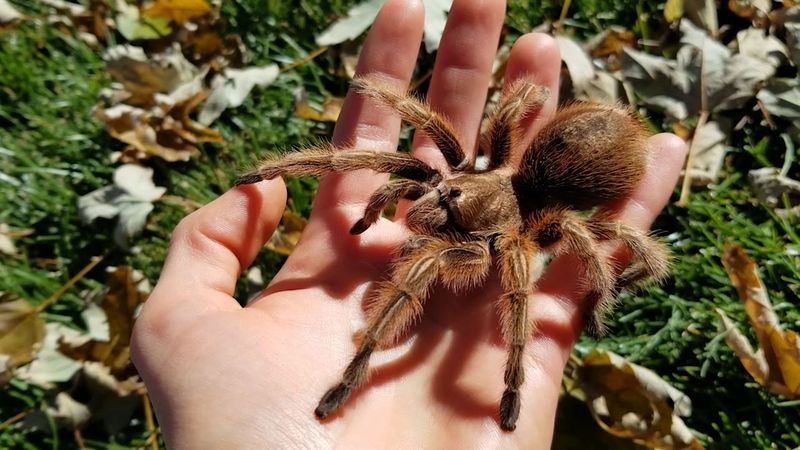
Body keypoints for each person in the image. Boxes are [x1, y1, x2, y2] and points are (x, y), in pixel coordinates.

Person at [130, 0, 687, 447]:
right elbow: (382, 150)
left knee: (430, 260)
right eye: (435, 195)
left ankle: (364, 362)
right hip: (536, 164)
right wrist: (360, 106)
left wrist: (519, 364)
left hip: (546, 191)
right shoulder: (442, 173)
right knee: (389, 166)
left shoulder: (527, 233)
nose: (426, 206)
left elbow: (521, 116)